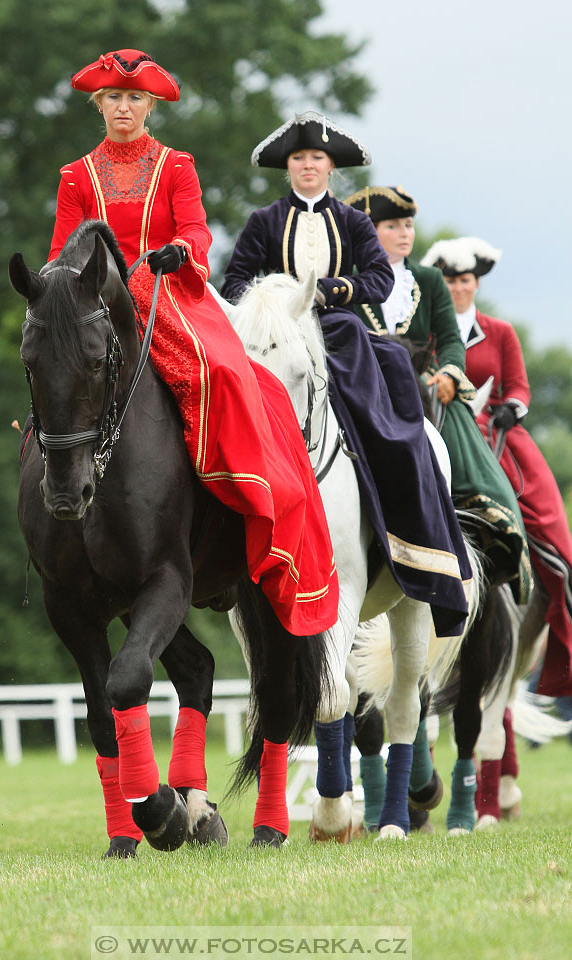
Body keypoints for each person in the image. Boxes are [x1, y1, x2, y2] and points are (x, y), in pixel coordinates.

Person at [47, 50, 339, 638]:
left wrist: (185, 251)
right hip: (98, 305)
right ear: (97, 105)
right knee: (53, 376)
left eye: (134, 98)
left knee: (223, 376)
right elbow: (61, 250)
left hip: (166, 295)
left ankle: (245, 499)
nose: (123, 107)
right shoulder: (76, 176)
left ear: (150, 105)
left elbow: (196, 228)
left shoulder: (176, 164)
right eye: (113, 98)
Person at [222, 113, 473, 639]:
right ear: (287, 168)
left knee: (395, 412)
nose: (307, 166)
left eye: (316, 159)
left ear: (331, 168)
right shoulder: (263, 221)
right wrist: (273, 297)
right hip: (276, 336)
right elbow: (236, 279)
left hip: (337, 331)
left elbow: (380, 278)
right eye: (298, 159)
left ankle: (409, 531)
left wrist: (331, 292)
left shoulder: (354, 222)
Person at [346, 187, 531, 604]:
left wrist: (450, 372)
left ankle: (486, 521)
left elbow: (449, 338)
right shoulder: (351, 281)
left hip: (422, 382)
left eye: (408, 225)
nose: (405, 233)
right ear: (370, 232)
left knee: (464, 439)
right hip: (362, 381)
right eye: (393, 226)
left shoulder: (428, 280)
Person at [421, 236, 572, 698]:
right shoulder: (429, 332)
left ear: (476, 283)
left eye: (464, 280)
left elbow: (520, 387)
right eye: (448, 279)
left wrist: (514, 408)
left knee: (554, 534)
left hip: (500, 436)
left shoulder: (500, 331)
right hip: (447, 429)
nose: (457, 287)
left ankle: (562, 633)